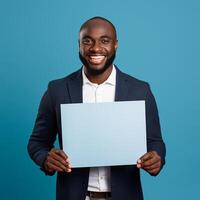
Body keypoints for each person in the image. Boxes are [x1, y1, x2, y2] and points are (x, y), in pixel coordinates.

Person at [27, 16, 166, 200]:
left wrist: (157, 158)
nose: (95, 48)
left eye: (104, 41)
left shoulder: (139, 90)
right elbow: (37, 142)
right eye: (87, 41)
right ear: (79, 45)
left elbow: (155, 141)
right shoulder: (57, 90)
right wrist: (46, 159)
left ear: (115, 45)